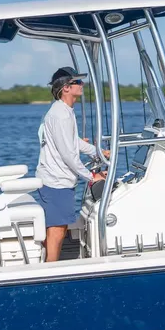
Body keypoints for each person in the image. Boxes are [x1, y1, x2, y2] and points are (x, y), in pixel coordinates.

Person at [36, 66, 109, 262]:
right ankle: (50, 269)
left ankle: (50, 264)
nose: (82, 84)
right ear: (65, 88)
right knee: (57, 229)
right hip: (55, 181)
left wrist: (97, 151)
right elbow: (68, 154)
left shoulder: (64, 111)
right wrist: (91, 177)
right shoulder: (60, 115)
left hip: (59, 179)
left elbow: (73, 142)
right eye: (77, 82)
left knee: (59, 227)